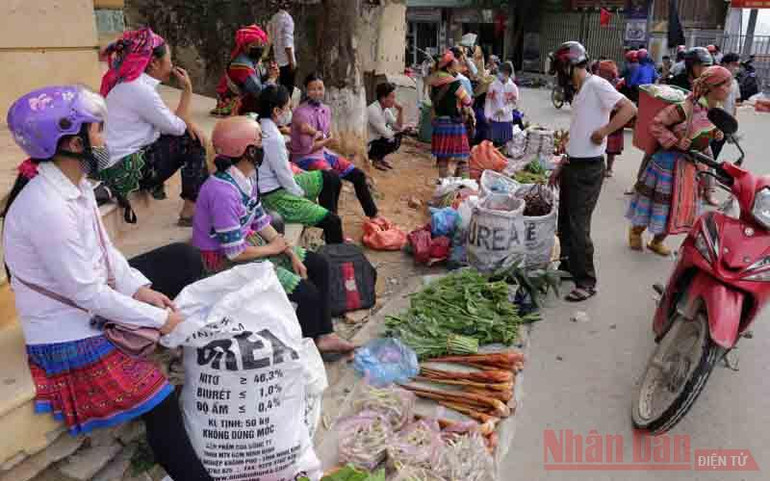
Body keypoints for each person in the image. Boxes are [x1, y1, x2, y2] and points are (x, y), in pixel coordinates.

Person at [3, 85, 213, 481]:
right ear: (73, 143)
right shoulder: (47, 209)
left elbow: (107, 254)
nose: (105, 138)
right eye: (98, 129)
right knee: (162, 401)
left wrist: (139, 290)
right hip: (66, 333)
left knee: (181, 258)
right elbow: (88, 294)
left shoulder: (75, 185)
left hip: (86, 301)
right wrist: (159, 319)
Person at [193, 116, 355, 354]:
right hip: (223, 262)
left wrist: (289, 252)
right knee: (306, 293)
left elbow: (260, 220)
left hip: (249, 245)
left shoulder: (246, 178)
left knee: (318, 264)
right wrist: (274, 249)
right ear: (247, 151)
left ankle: (325, 334)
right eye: (259, 143)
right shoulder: (222, 191)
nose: (263, 148)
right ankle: (305, 344)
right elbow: (234, 253)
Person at [548, 41, 636, 302]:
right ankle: (568, 267)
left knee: (578, 226)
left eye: (560, 70)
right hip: (573, 165)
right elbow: (578, 131)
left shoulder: (596, 84)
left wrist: (604, 131)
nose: (559, 77)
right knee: (564, 222)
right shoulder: (579, 91)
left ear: (569, 66)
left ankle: (587, 282)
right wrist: (563, 162)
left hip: (588, 169)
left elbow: (630, 108)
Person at [99, 28, 208, 226]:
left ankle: (190, 204)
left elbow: (169, 123)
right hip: (125, 169)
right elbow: (178, 128)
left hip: (117, 162)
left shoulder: (129, 84)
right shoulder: (140, 90)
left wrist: (187, 122)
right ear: (154, 63)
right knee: (191, 140)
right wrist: (187, 91)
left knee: (186, 133)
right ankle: (191, 210)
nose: (172, 65)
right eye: (169, 59)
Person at [627, 66, 732, 255]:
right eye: (726, 85)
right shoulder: (685, 107)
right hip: (667, 165)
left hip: (690, 167)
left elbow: (705, 131)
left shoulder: (716, 110)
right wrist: (675, 141)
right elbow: (656, 124)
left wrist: (716, 134)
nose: (729, 89)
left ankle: (656, 241)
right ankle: (636, 232)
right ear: (712, 87)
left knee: (677, 209)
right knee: (657, 204)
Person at [242, 85, 344, 244]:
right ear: (276, 111)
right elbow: (284, 175)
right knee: (333, 222)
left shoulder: (259, 123)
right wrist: (300, 194)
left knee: (331, 178)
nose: (290, 112)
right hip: (274, 196)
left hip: (277, 184)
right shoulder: (273, 137)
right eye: (288, 108)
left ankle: (327, 230)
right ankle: (335, 250)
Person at [290, 73, 381, 220]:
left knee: (358, 175)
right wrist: (327, 140)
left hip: (323, 153)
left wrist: (325, 139)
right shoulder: (301, 113)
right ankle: (332, 222)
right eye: (312, 89)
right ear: (306, 90)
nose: (317, 92)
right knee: (333, 181)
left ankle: (374, 215)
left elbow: (325, 135)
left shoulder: (326, 109)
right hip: (305, 158)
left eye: (320, 88)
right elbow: (307, 148)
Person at [210, 25, 276, 117]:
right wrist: (272, 79)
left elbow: (262, 78)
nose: (259, 48)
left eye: (261, 45)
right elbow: (259, 92)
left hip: (248, 97)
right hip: (236, 104)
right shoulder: (242, 65)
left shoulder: (253, 60)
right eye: (254, 45)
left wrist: (270, 73)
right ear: (244, 46)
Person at [430, 50, 474, 178]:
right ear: (449, 67)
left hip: (439, 124)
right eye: (455, 65)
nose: (457, 67)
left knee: (443, 159)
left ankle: (444, 184)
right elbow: (467, 101)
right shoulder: (454, 83)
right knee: (463, 159)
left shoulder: (434, 82)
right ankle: (462, 184)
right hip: (453, 125)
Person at [595, 60, 625, 177]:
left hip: (614, 119)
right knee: (599, 143)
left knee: (612, 147)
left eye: (600, 72)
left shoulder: (619, 85)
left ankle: (609, 168)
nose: (598, 73)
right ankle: (601, 167)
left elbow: (625, 105)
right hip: (603, 117)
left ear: (608, 73)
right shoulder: (599, 84)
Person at [367, 82, 405, 171]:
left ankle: (379, 158)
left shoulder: (385, 110)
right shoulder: (373, 110)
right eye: (392, 97)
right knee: (391, 139)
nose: (394, 100)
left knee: (397, 137)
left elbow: (397, 126)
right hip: (368, 144)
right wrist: (400, 130)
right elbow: (387, 134)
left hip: (376, 140)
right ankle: (375, 160)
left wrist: (400, 111)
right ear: (383, 99)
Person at [711, 53, 741, 159]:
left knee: (716, 150)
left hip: (726, 122)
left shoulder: (735, 82)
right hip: (714, 121)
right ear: (724, 64)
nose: (736, 68)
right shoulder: (715, 80)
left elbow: (734, 104)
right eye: (734, 64)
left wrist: (732, 123)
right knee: (708, 149)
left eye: (738, 65)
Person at [485, 61, 520, 146]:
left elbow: (514, 103)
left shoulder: (513, 87)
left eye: (500, 72)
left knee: (505, 145)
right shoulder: (493, 86)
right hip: (494, 119)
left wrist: (504, 110)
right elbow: (488, 101)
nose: (498, 74)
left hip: (506, 120)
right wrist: (487, 115)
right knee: (493, 144)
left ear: (507, 73)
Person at [269, 2, 297, 93]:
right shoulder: (288, 19)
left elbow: (272, 38)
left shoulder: (274, 18)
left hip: (278, 59)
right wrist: (291, 61)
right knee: (288, 90)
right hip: (286, 60)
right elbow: (287, 42)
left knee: (281, 87)